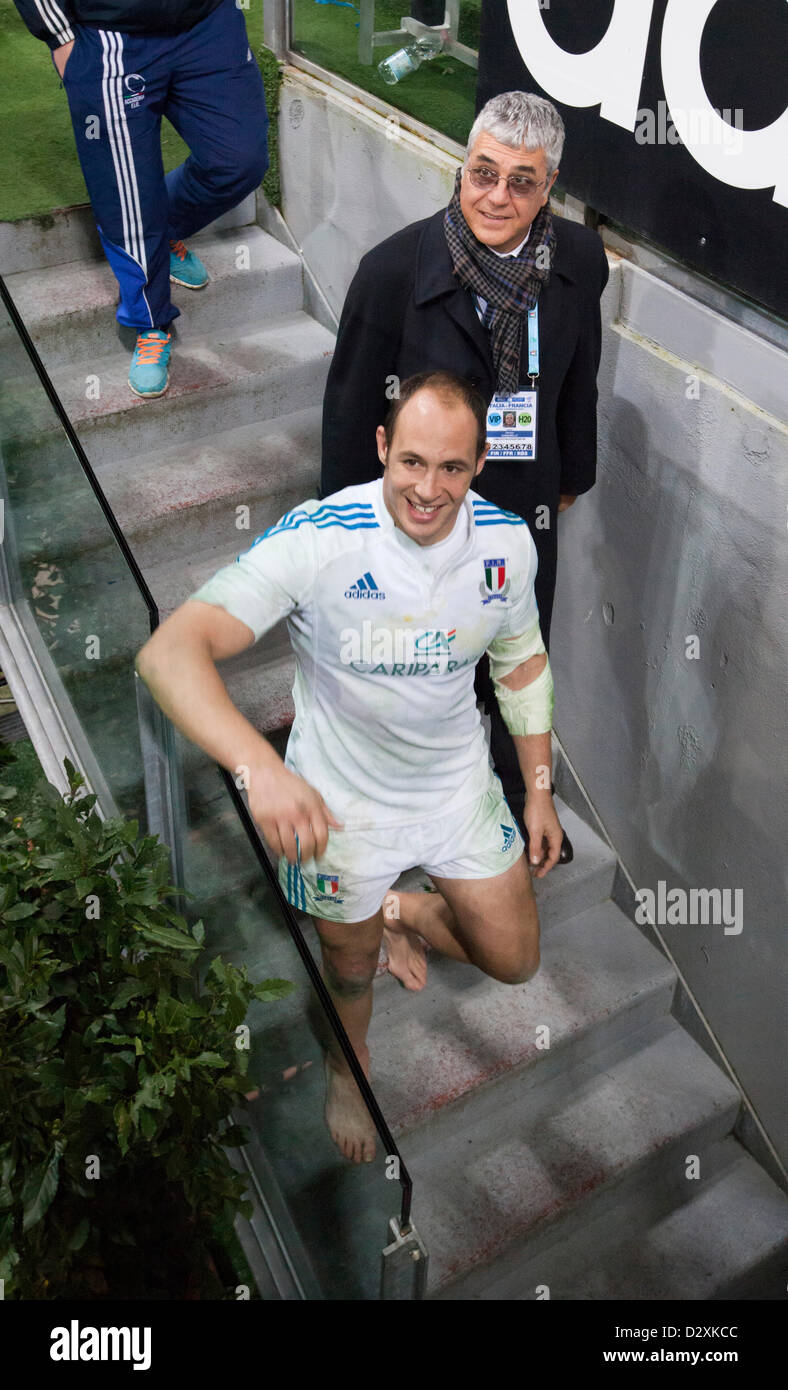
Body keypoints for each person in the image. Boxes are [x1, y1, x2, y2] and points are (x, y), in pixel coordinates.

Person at [136, 371, 562, 1164]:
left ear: (479, 467)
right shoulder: (320, 538)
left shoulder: (506, 543)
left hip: (455, 790)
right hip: (341, 809)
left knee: (515, 957)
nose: (428, 489)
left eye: (451, 468)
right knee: (350, 966)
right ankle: (347, 1065)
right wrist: (259, 767)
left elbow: (521, 662)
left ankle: (404, 910)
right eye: (411, 462)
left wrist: (537, 789)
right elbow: (168, 654)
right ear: (381, 449)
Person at [321, 90, 610, 855]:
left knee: (518, 659)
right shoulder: (391, 274)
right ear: (461, 170)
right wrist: (351, 538)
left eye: (522, 181)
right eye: (484, 173)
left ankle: (519, 806)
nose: (497, 196)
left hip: (521, 511)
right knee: (421, 668)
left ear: (549, 188)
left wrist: (568, 476)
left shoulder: (578, 259)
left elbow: (578, 379)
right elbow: (352, 423)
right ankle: (410, 819)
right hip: (418, 519)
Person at [13, 0, 269, 398]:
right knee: (125, 195)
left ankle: (162, 231)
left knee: (239, 161)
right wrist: (60, 37)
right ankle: (150, 323)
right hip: (110, 34)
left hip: (209, 22)